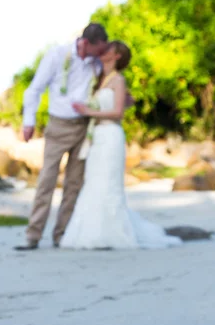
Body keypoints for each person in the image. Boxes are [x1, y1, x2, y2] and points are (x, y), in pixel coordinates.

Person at [60, 41, 182, 250]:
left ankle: (111, 233)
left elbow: (118, 113)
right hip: (96, 136)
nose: (103, 51)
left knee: (109, 184)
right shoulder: (99, 79)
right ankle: (89, 232)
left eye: (108, 49)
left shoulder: (118, 80)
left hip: (111, 134)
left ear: (116, 56)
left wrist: (88, 112)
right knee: (93, 182)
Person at [17, 23, 109, 250]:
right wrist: (28, 122)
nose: (101, 54)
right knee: (46, 180)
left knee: (74, 184)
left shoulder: (98, 62)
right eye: (99, 49)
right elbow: (35, 89)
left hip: (83, 128)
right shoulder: (57, 55)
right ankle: (33, 235)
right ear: (86, 43)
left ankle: (61, 234)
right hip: (57, 126)